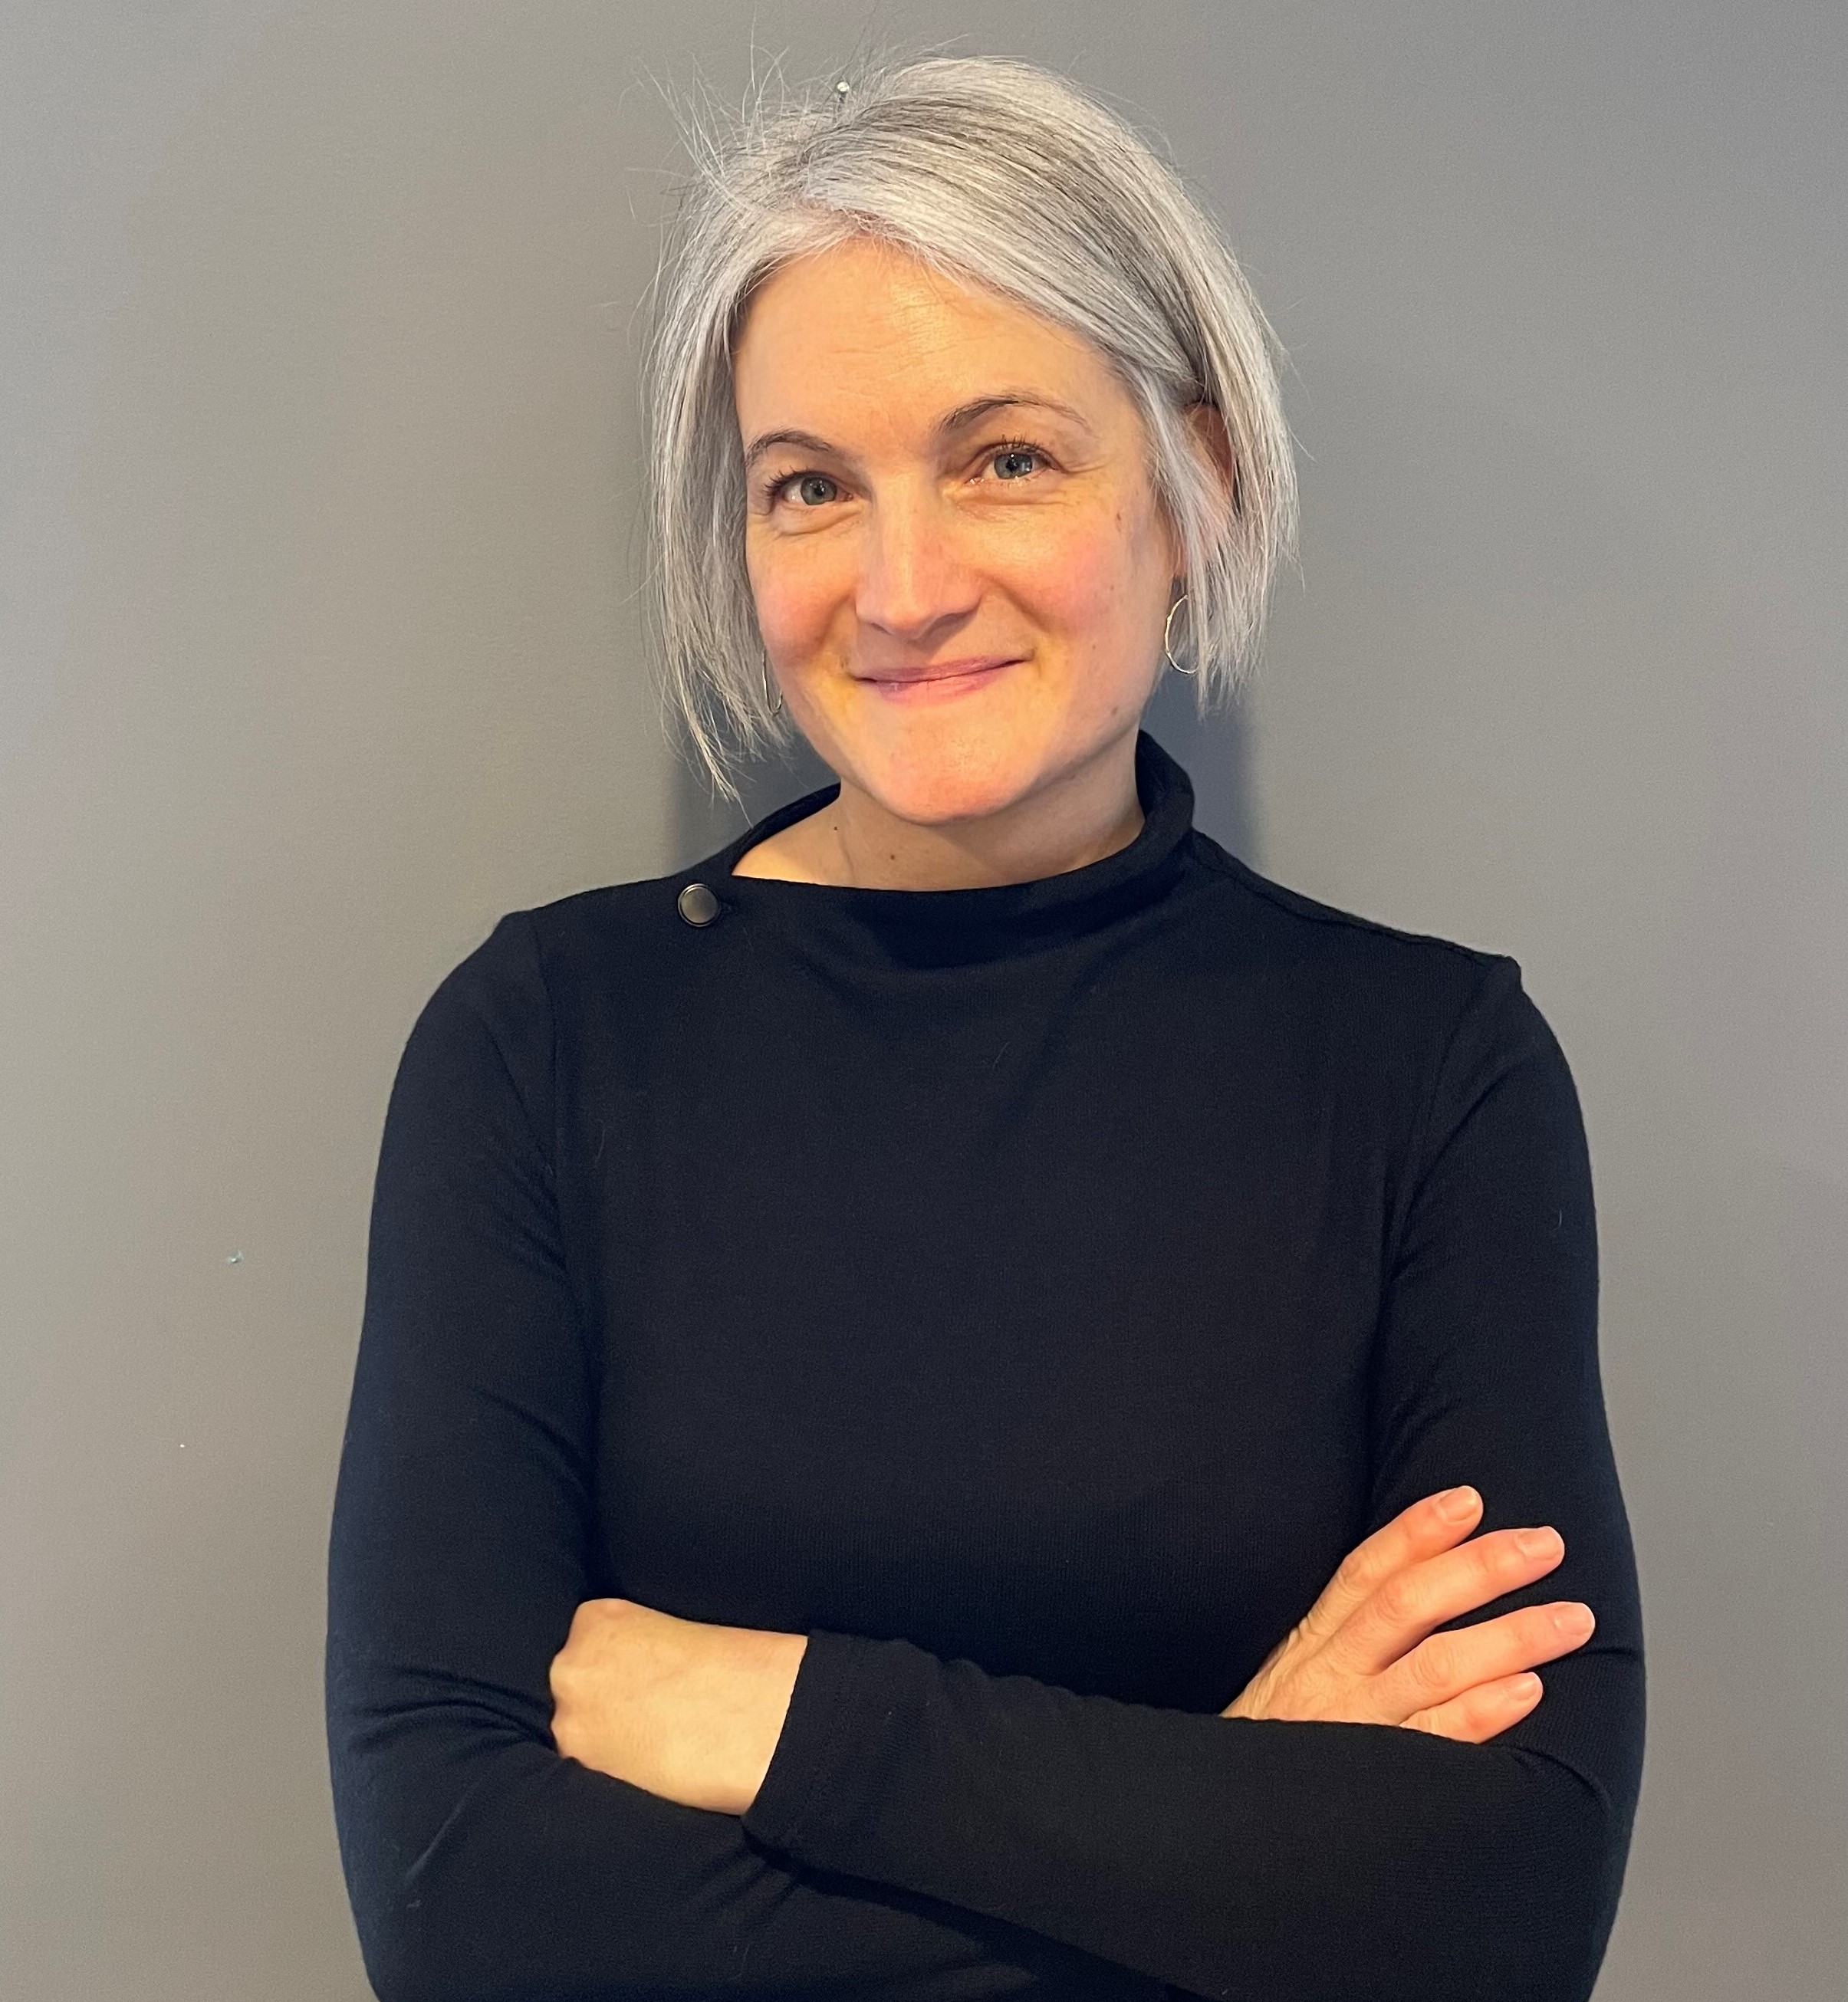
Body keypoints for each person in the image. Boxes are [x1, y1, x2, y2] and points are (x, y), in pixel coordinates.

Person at [325, 54, 1644, 2002]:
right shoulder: (541, 1047)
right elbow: (465, 1919)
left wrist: (794, 1722)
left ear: (1190, 488)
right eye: (808, 488)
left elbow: (1501, 1908)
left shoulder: (1428, 1071)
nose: (903, 585)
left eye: (1004, 457)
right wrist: (1243, 1810)